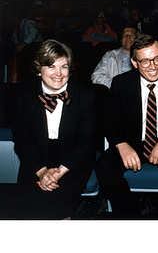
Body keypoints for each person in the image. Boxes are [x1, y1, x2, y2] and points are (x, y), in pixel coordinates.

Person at [96, 34, 158, 219]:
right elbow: (109, 121)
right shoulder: (121, 83)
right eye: (145, 61)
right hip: (132, 143)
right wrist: (122, 145)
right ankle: (128, 217)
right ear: (134, 62)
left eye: (157, 58)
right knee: (104, 165)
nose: (153, 66)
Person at [13, 39, 97, 219]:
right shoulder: (23, 97)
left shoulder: (86, 97)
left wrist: (58, 173)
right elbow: (22, 140)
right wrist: (42, 171)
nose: (58, 73)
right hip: (37, 156)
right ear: (38, 69)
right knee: (29, 201)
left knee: (61, 202)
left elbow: (85, 143)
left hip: (73, 159)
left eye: (64, 67)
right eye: (51, 66)